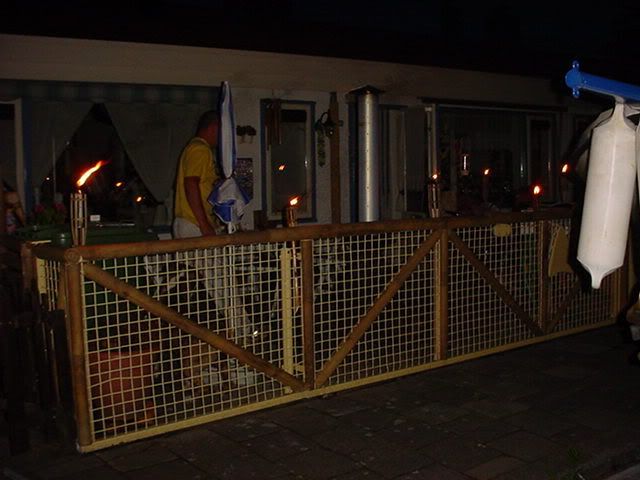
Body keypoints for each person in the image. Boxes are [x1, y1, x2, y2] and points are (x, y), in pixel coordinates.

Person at [173, 110, 220, 238]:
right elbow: (191, 183)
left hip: (191, 222)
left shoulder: (195, 147)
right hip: (194, 223)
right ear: (214, 127)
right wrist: (204, 224)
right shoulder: (200, 149)